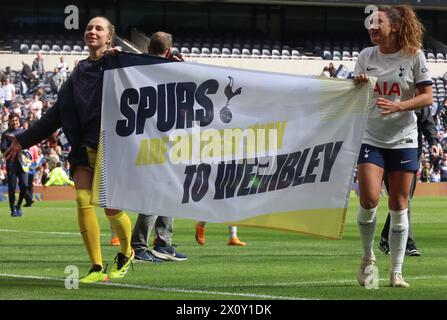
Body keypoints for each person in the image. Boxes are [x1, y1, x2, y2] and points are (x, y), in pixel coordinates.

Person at [4, 16, 134, 283]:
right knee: (82, 201)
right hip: (82, 147)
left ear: (110, 37)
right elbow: (54, 115)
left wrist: (164, 61)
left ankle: (127, 252)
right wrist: (23, 139)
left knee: (111, 208)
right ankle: (97, 268)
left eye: (99, 28)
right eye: (88, 28)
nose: (92, 31)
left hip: (111, 146)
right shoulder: (77, 73)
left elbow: (150, 78)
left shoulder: (118, 63)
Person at [353, 5, 432, 288]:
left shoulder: (414, 56)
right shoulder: (365, 56)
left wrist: (400, 106)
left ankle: (396, 271)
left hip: (403, 138)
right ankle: (367, 258)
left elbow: (427, 97)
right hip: (371, 137)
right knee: (369, 199)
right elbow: (356, 95)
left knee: (399, 204)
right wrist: (359, 83)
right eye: (371, 23)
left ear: (395, 27)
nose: (373, 27)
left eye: (379, 22)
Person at [131, 31, 187, 263]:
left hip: (146, 139)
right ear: (169, 50)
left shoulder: (136, 69)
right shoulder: (174, 71)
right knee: (156, 194)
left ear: (147, 49)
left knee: (168, 191)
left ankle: (163, 243)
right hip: (165, 141)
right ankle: (139, 245)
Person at [378, 106, 440, 257]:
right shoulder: (388, 90)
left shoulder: (417, 94)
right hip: (386, 148)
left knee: (403, 198)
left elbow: (426, 121)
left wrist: (433, 142)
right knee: (402, 198)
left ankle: (386, 237)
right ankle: (407, 243)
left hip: (410, 150)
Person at [0, 113, 33, 216]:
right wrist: (13, 149)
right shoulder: (6, 134)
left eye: (16, 120)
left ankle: (18, 206)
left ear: (19, 121)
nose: (15, 122)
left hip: (23, 164)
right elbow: (3, 149)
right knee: (12, 187)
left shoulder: (23, 132)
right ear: (9, 121)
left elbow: (28, 145)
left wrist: (24, 152)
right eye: (13, 120)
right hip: (12, 163)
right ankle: (12, 209)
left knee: (24, 185)